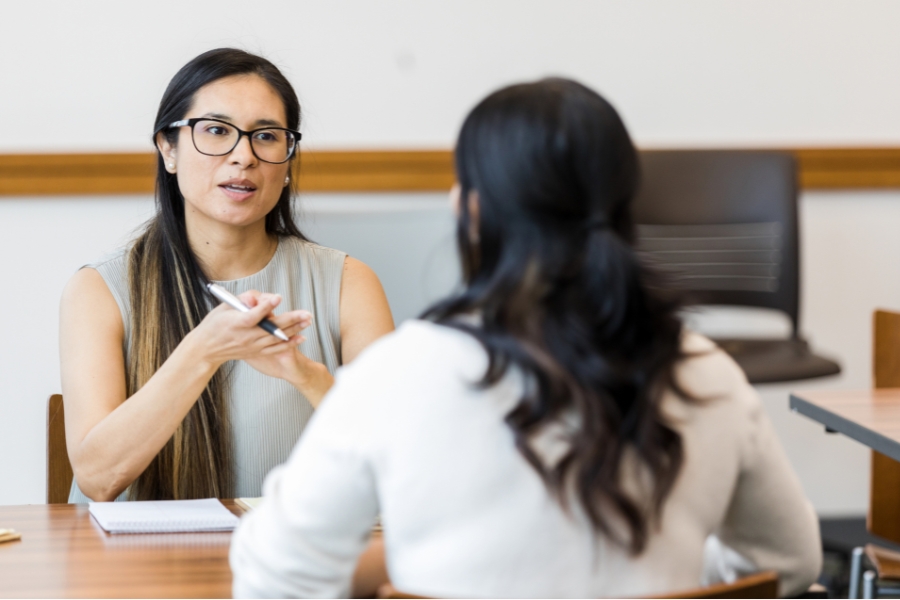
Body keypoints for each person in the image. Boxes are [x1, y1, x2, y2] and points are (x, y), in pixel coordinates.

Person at [229, 78, 821, 598]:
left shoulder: (404, 371)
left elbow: (273, 578)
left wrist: (396, 569)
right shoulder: (705, 371)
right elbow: (787, 565)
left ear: (471, 210)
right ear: (625, 209)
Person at [59, 48, 394, 503]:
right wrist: (204, 349)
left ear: (288, 160)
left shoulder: (350, 283)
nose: (244, 156)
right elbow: (98, 479)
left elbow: (397, 463)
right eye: (216, 131)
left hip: (294, 565)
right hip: (138, 570)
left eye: (267, 136)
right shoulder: (97, 290)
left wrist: (306, 376)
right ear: (168, 149)